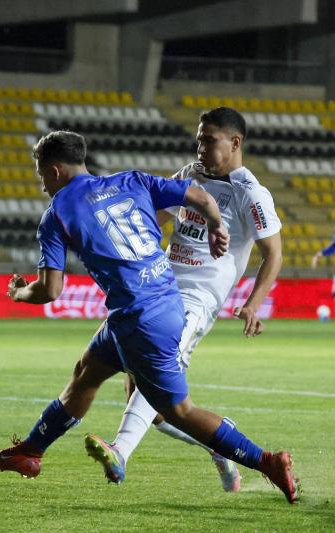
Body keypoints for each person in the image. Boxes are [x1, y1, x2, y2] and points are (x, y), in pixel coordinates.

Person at [0, 130, 299, 504]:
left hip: (142, 319)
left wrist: (17, 292)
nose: (44, 186)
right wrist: (215, 225)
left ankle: (267, 461)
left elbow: (49, 290)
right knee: (86, 372)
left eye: (43, 176)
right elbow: (200, 195)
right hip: (155, 305)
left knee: (177, 411)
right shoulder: (132, 180)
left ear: (56, 171)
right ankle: (30, 452)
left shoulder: (57, 214)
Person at [84, 107, 283, 493]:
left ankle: (120, 452)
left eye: (209, 140)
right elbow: (152, 218)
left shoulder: (250, 194)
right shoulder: (190, 177)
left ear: (235, 142)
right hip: (156, 291)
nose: (200, 147)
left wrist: (253, 304)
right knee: (156, 414)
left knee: (157, 372)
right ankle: (219, 443)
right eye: (198, 139)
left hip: (196, 299)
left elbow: (273, 253)